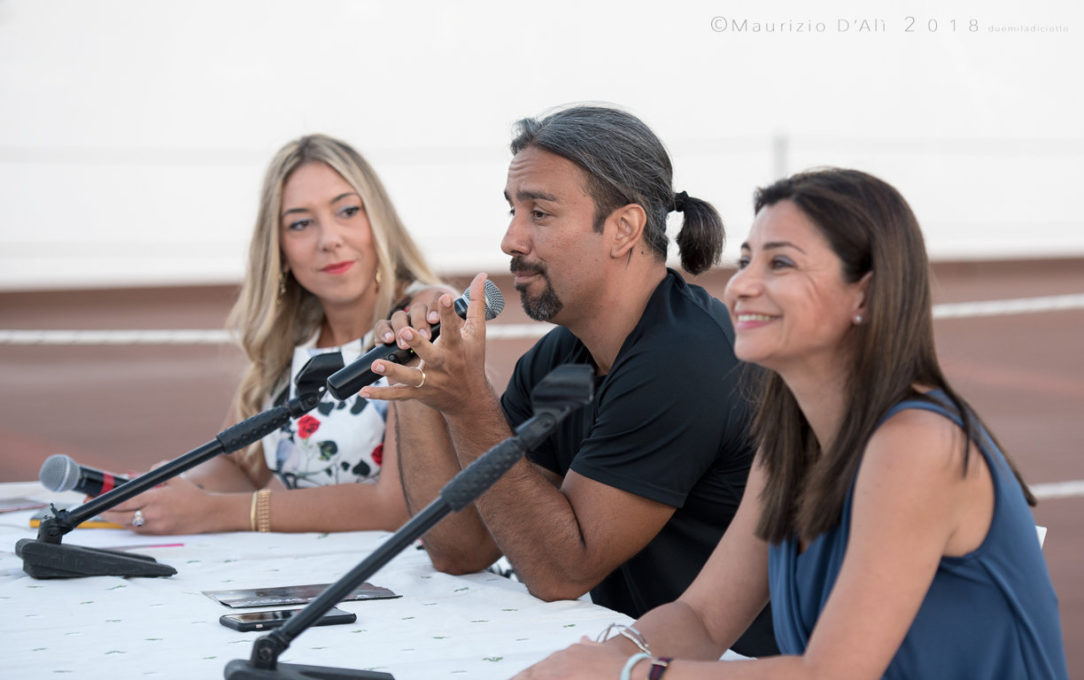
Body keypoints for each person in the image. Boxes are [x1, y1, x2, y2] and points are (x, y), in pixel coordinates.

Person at [513, 167, 1069, 679]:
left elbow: (831, 675)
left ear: (867, 294)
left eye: (780, 263)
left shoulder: (916, 444)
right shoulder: (793, 436)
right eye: (748, 259)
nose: (742, 285)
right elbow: (702, 618)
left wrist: (631, 675)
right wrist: (607, 654)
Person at [362, 105, 777, 656]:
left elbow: (562, 572)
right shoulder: (564, 358)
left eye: (540, 213)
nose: (511, 239)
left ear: (623, 229)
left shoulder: (684, 359)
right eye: (512, 210)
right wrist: (415, 379)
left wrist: (468, 406)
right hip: (630, 654)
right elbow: (462, 547)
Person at [101, 134, 450, 535]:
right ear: (279, 248)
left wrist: (211, 513)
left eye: (348, 211)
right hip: (301, 573)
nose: (329, 239)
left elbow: (399, 505)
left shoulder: (424, 313)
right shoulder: (292, 337)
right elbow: (241, 468)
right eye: (301, 223)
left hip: (413, 582)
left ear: (379, 219)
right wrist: (172, 486)